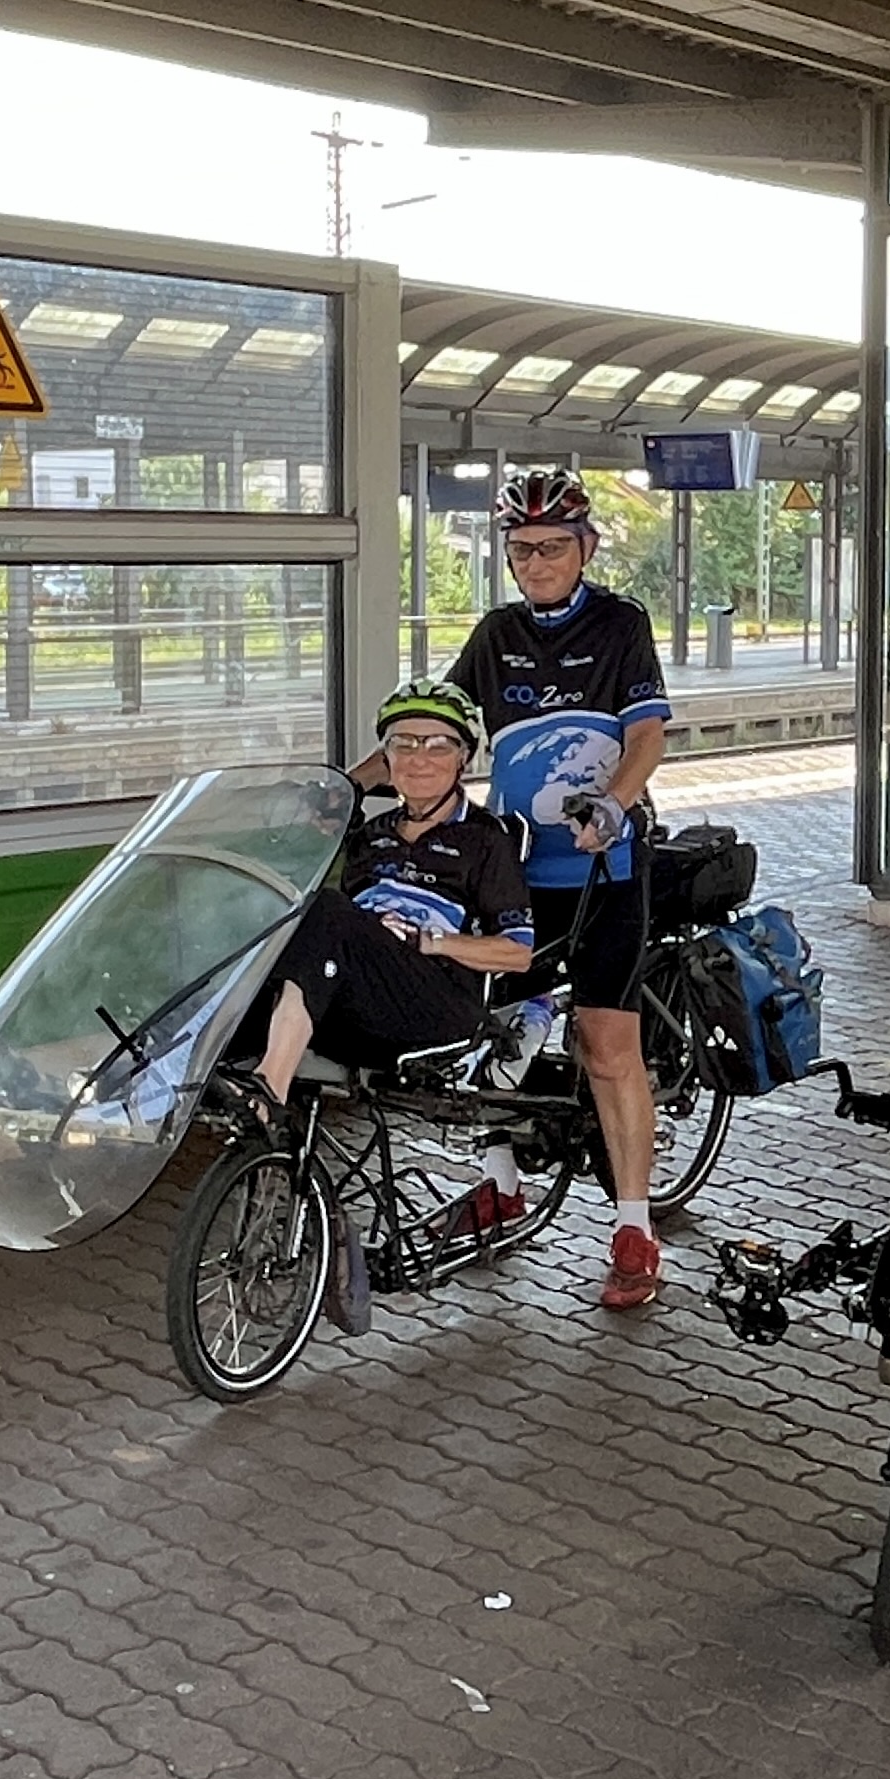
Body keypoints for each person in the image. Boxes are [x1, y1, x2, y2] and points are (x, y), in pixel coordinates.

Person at [357, 469, 672, 1310]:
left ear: (585, 548)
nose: (535, 562)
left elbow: (646, 732)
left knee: (605, 1043)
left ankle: (634, 1230)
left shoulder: (618, 624)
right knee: (491, 1033)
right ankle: (500, 1183)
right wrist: (335, 791)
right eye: (521, 549)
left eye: (552, 547)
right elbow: (435, 728)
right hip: (515, 871)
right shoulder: (496, 634)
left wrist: (614, 801)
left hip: (603, 871)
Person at [246, 678, 533, 1144]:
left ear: (464, 757)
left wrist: (429, 940)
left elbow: (517, 953)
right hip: (360, 1002)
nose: (419, 758)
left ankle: (270, 1087)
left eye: (439, 745)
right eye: (403, 744)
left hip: (434, 1004)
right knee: (269, 913)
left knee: (326, 910)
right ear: (388, 759)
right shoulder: (370, 835)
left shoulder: (487, 838)